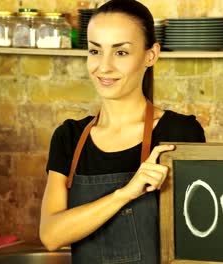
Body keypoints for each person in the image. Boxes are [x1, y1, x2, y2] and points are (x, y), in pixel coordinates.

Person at [39, 0, 206, 263]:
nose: (103, 67)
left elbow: (199, 236)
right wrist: (126, 193)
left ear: (150, 55)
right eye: (95, 51)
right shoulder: (69, 137)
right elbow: (51, 236)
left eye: (121, 53)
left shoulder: (180, 133)